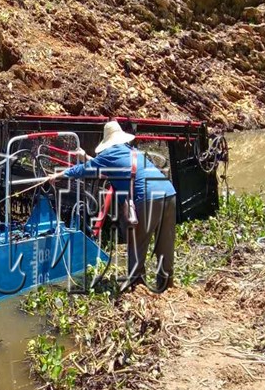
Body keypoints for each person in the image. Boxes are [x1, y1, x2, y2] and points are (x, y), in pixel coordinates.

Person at [49, 120, 177, 292]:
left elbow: (84, 170)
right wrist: (84, 157)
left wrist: (61, 174)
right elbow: (103, 168)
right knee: (165, 243)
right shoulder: (132, 151)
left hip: (147, 199)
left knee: (137, 243)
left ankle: (137, 286)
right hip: (169, 193)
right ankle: (166, 285)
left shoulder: (109, 155)